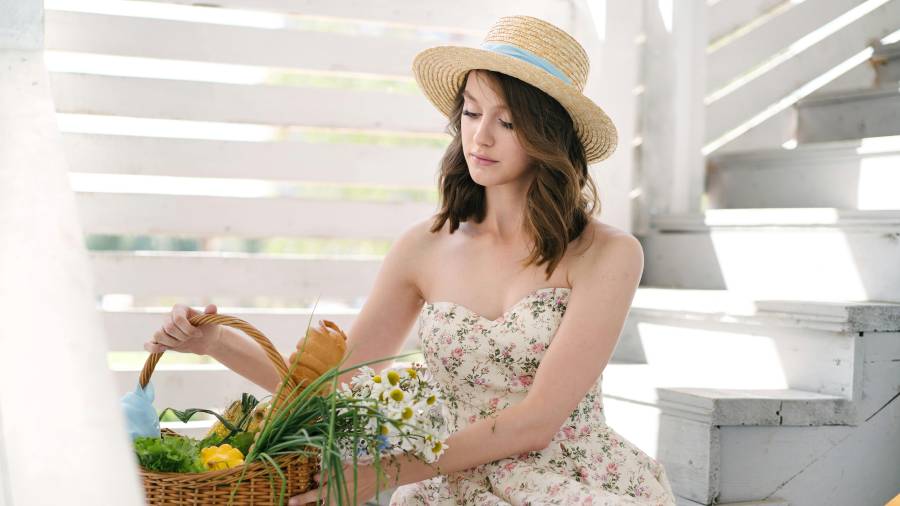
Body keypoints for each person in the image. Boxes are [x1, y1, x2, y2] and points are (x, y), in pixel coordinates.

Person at [146, 15, 676, 506]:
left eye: (508, 122)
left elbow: (536, 423)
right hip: (447, 484)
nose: (480, 136)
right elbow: (335, 389)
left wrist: (384, 473)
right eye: (471, 112)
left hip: (567, 479)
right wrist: (214, 341)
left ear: (549, 137)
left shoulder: (607, 254)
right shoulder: (424, 246)